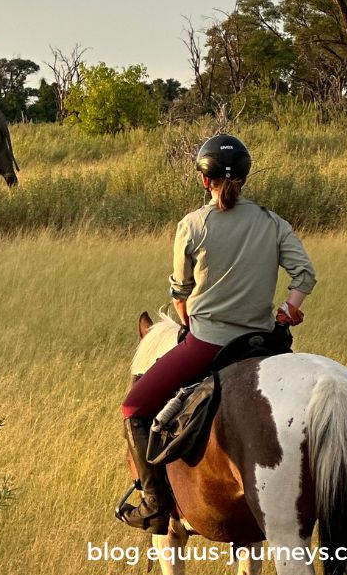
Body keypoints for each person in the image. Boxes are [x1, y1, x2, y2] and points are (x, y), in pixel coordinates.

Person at [116, 134, 317, 534]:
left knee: (133, 410)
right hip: (264, 341)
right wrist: (288, 309)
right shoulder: (273, 223)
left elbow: (180, 296)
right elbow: (306, 275)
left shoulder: (191, 225)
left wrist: (192, 323)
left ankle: (155, 505)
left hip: (206, 343)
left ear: (203, 180)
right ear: (245, 176)